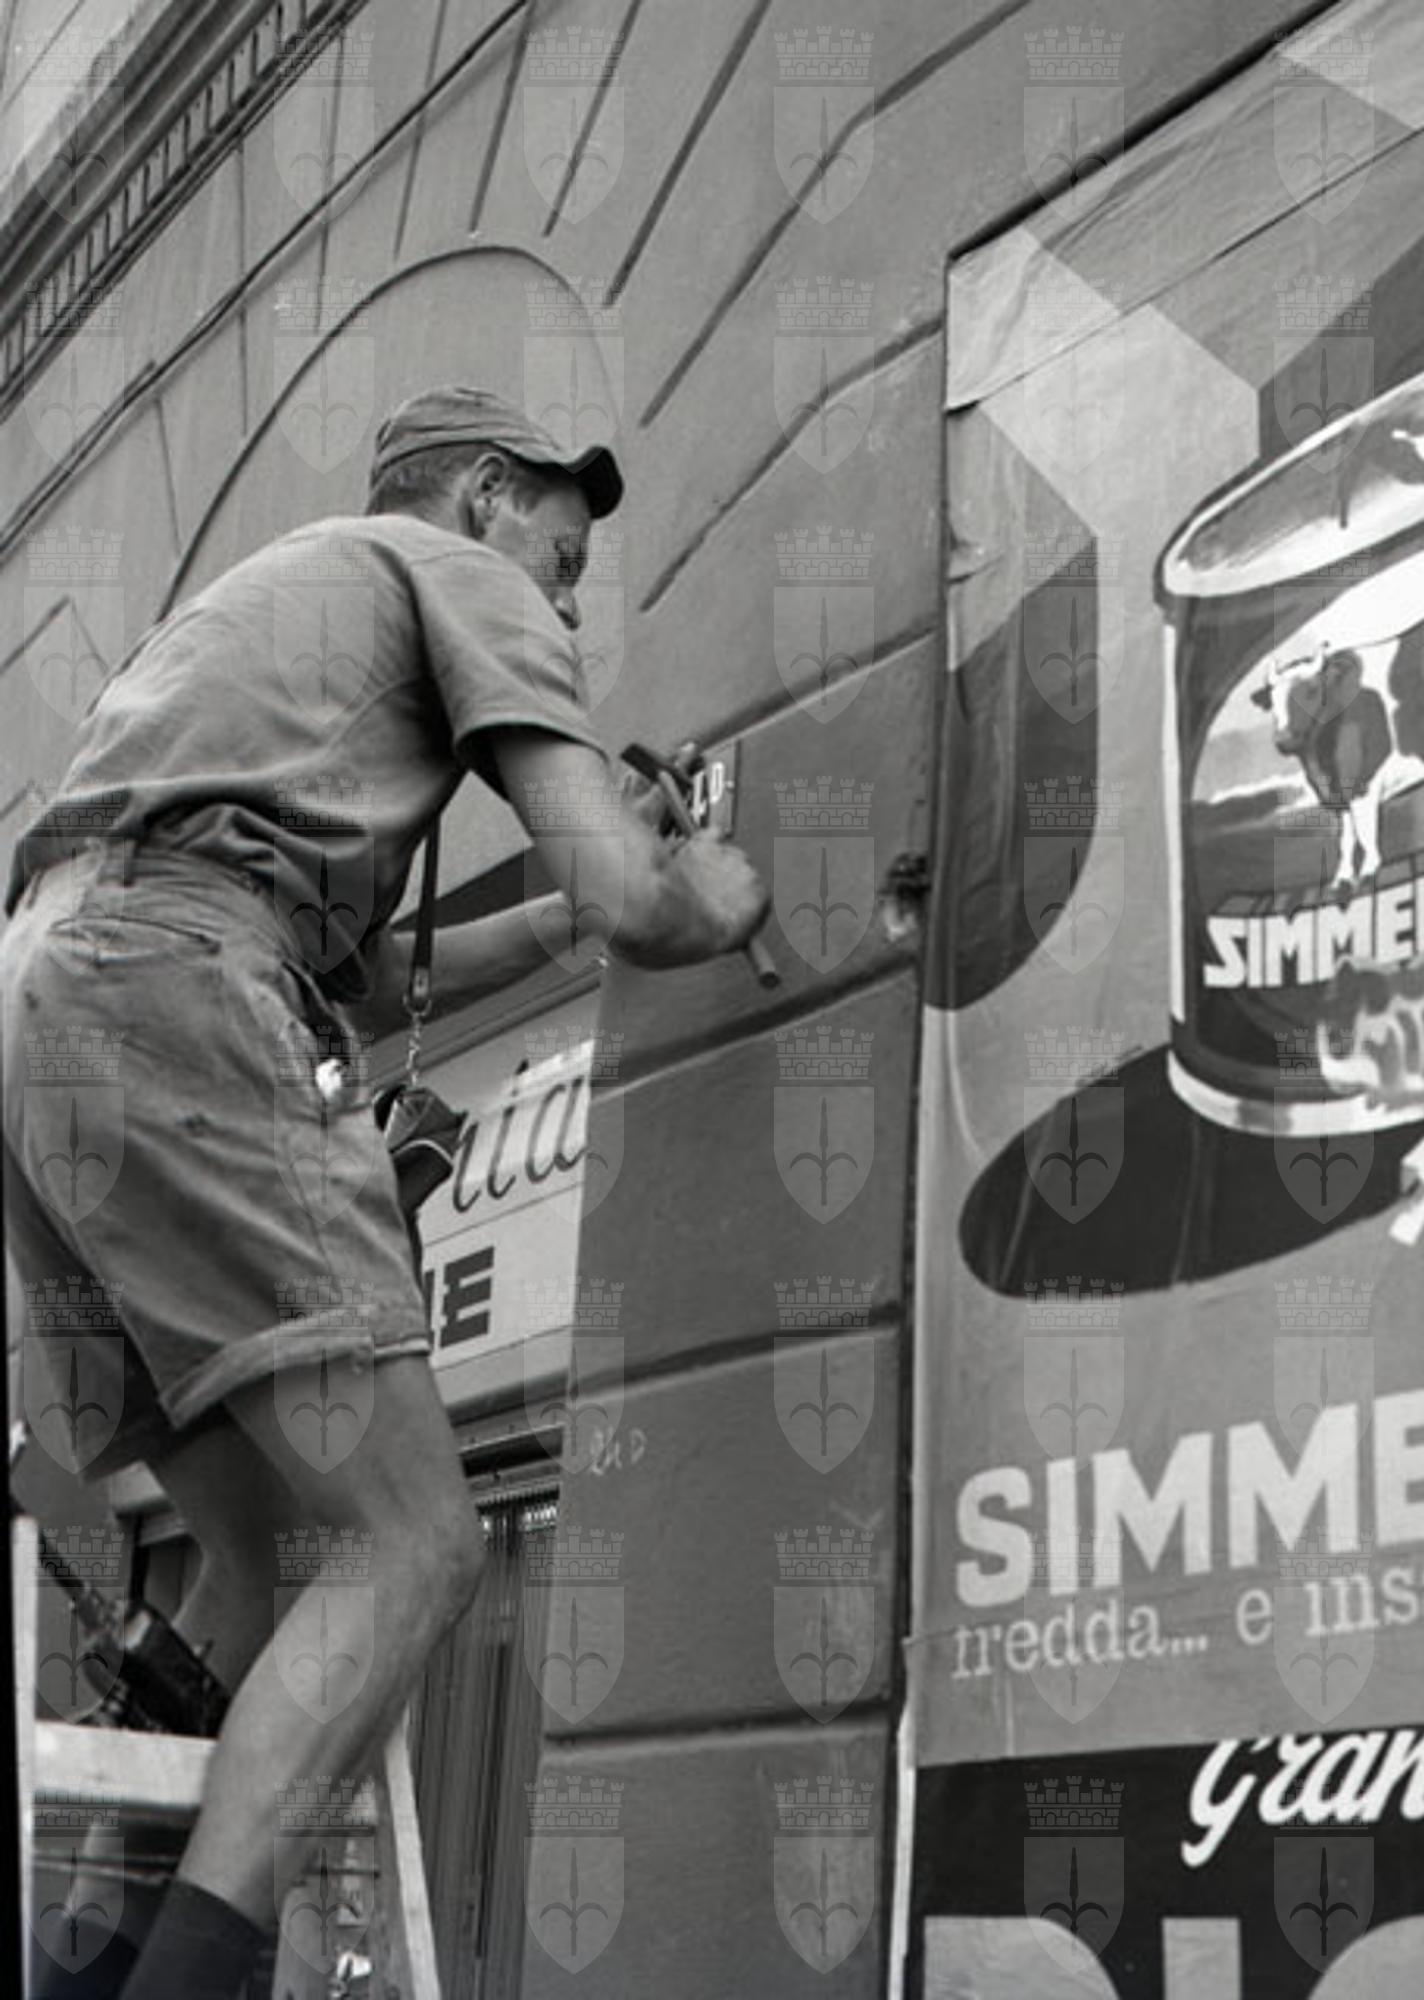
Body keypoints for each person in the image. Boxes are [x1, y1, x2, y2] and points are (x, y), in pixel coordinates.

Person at [3, 385, 770, 1998]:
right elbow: (639, 896)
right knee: (415, 1541)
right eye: (564, 557)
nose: (566, 604)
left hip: (52, 1000)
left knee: (268, 1555)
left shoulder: (286, 623)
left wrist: (563, 918)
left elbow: (351, 984)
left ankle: (85, 1970)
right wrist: (703, 889)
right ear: (486, 494)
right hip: (174, 972)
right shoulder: (455, 569)